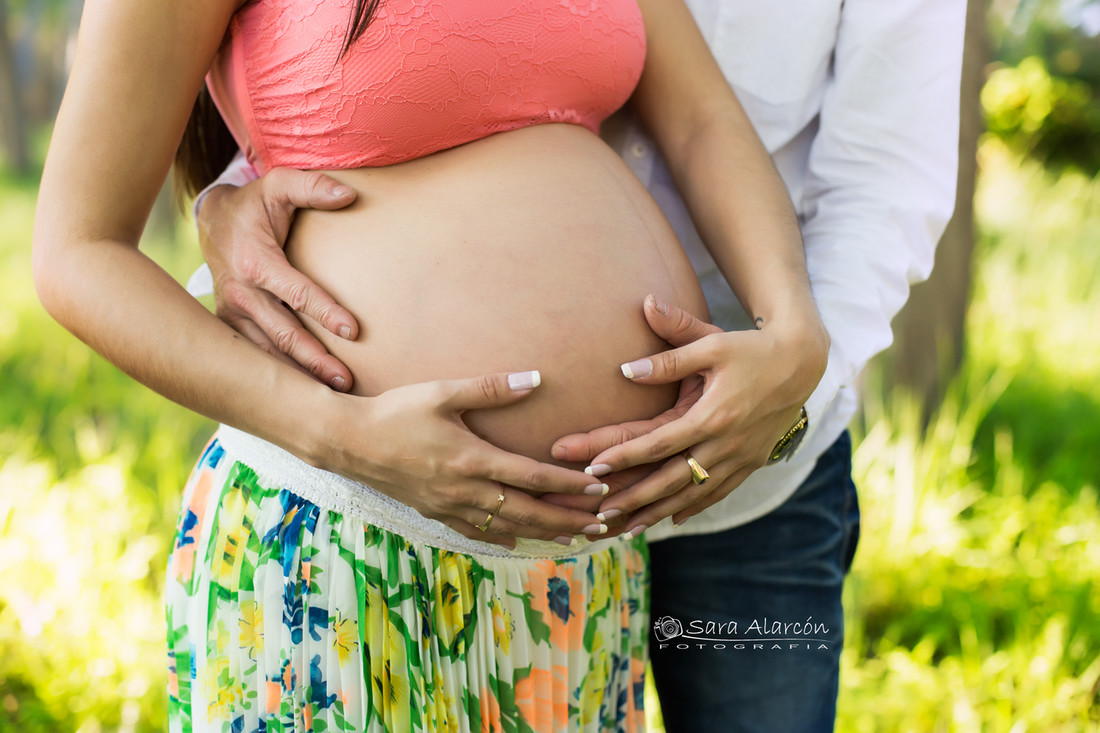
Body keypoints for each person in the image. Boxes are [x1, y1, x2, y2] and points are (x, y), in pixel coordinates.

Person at [33, 0, 829, 730]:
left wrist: (794, 329)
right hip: (342, 552)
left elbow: (700, 121)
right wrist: (340, 433)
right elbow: (78, 251)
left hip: (577, 580)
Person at [194, 0, 968, 730]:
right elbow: (350, 67)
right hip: (404, 510)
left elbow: (881, 174)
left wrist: (796, 367)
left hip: (754, 480)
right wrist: (225, 193)